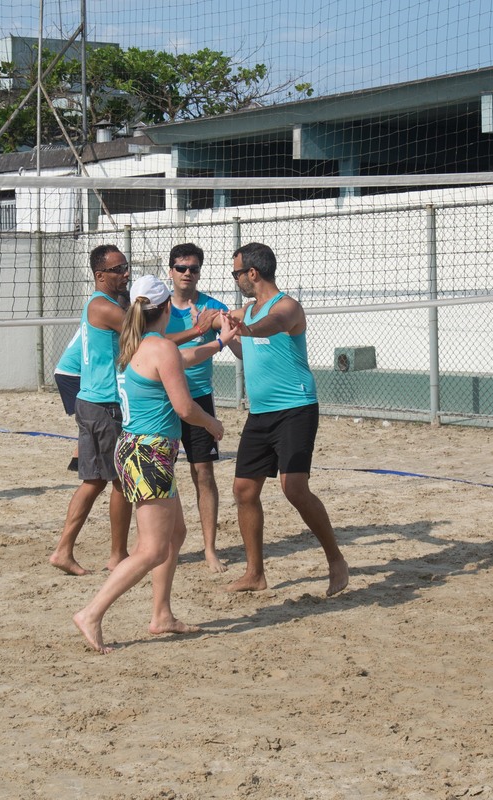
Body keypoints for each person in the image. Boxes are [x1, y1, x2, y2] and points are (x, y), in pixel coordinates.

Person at [73, 274, 234, 654]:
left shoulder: (136, 344)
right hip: (149, 453)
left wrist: (218, 343)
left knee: (174, 535)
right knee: (151, 550)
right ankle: (91, 613)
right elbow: (185, 407)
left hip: (136, 448)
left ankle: (162, 615)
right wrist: (212, 424)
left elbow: (182, 359)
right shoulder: (160, 347)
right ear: (164, 311)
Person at [225, 242, 349, 596]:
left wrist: (244, 327)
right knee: (244, 490)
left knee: (293, 487)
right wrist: (223, 332)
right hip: (260, 413)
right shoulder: (247, 312)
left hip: (296, 408)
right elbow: (248, 351)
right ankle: (255, 574)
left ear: (252, 273)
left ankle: (336, 560)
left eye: (236, 273)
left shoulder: (287, 307)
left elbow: (274, 325)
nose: (235, 279)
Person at [49, 244, 133, 576]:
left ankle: (63, 550)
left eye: (126, 266)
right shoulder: (103, 307)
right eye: (118, 269)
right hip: (103, 404)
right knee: (120, 481)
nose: (126, 273)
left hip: (92, 401)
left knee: (93, 481)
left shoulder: (103, 304)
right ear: (100, 275)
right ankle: (118, 555)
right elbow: (147, 336)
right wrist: (200, 332)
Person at [161, 242, 231, 573]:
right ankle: (162, 545)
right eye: (181, 268)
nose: (187, 273)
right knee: (161, 473)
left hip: (199, 396)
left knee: (203, 472)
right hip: (162, 398)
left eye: (193, 268)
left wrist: (225, 326)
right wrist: (197, 330)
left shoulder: (213, 308)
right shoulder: (158, 308)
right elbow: (149, 343)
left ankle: (209, 549)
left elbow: (233, 339)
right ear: (170, 271)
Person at [52, 329, 82, 472]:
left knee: (89, 420)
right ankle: (78, 460)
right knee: (90, 419)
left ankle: (77, 460)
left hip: (68, 372)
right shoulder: (109, 318)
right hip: (73, 374)